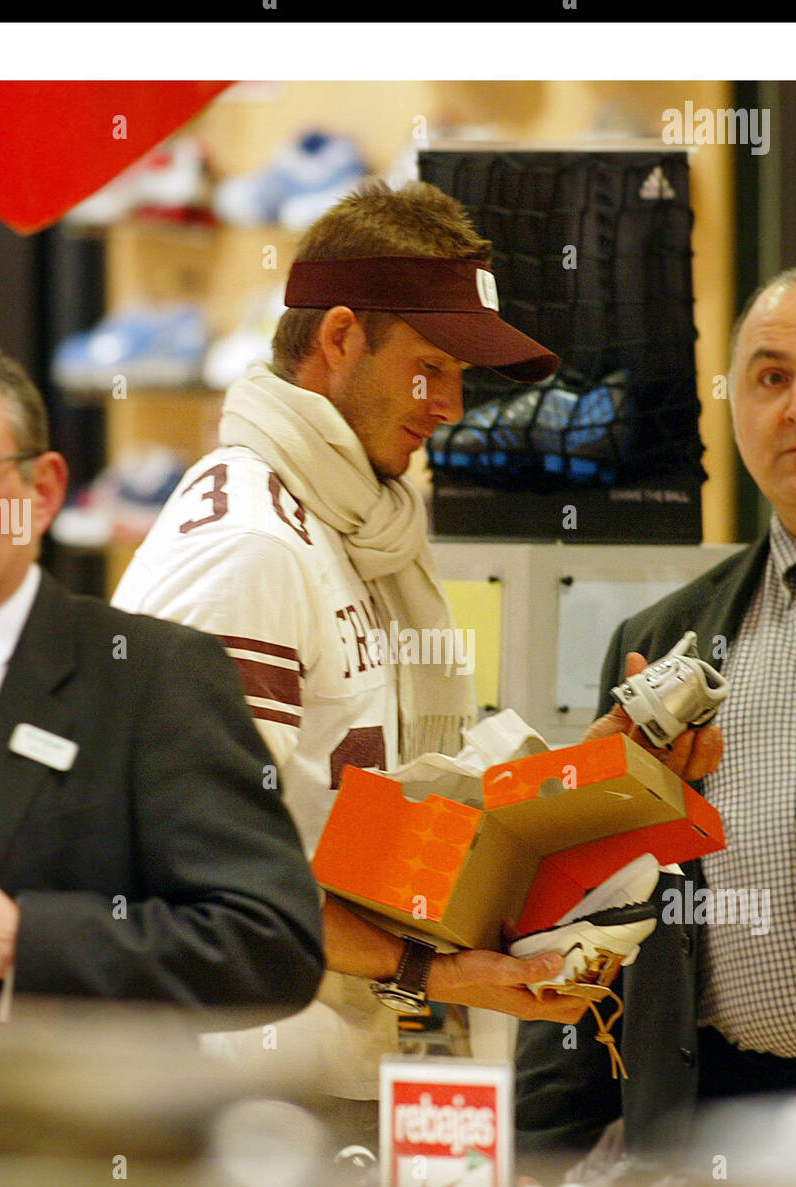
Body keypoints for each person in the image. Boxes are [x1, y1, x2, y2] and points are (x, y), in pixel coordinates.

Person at [113, 178, 602, 1122]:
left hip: (355, 1065)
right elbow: (190, 868)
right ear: (339, 341)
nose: (453, 406)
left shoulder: (351, 523)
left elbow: (382, 806)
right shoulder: (250, 543)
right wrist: (436, 969)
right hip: (259, 1090)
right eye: (433, 366)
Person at [516, 264, 796, 1160]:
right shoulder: (666, 640)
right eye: (768, 377)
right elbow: (594, 905)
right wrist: (539, 1153)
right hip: (728, 1117)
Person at [0, 344, 324, 1015]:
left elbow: (272, 944)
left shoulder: (148, 677)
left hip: (41, 1115)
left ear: (41, 492)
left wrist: (25, 940)